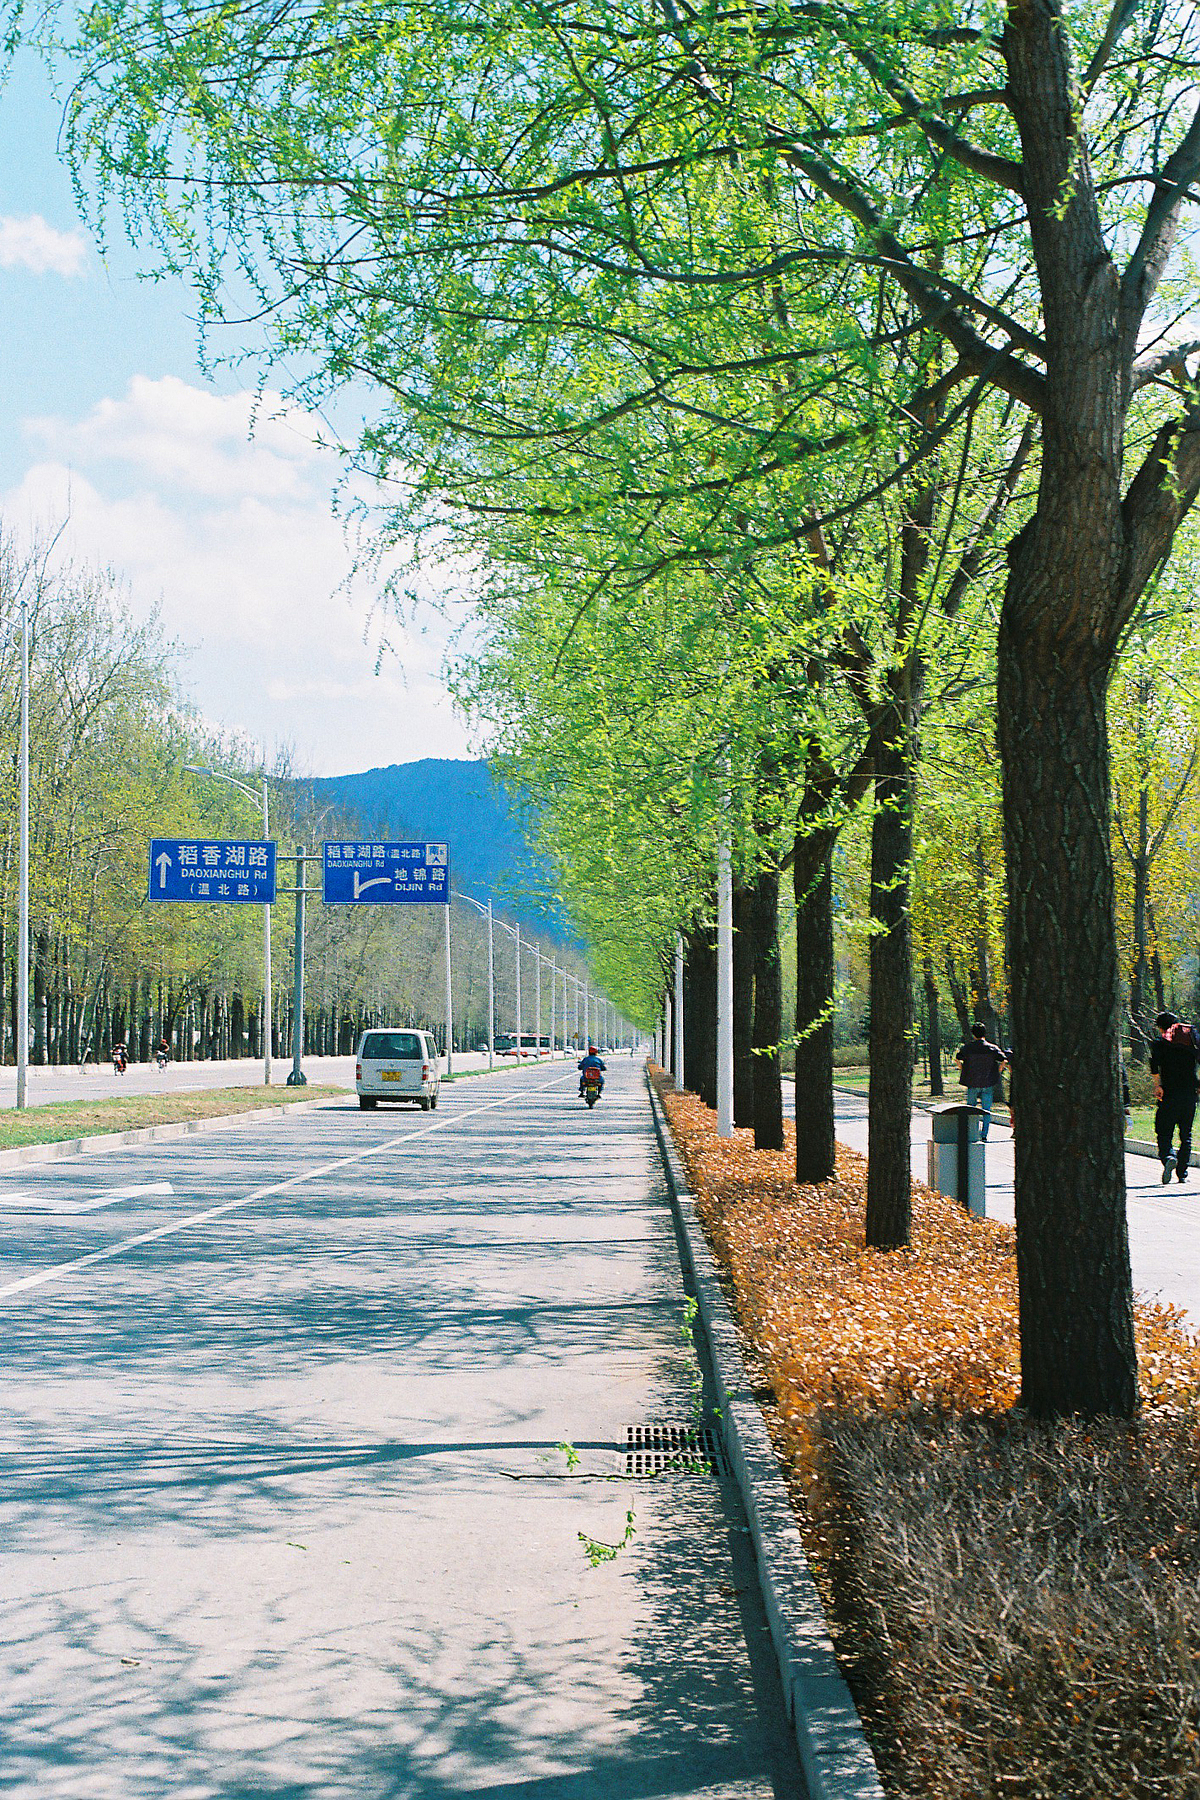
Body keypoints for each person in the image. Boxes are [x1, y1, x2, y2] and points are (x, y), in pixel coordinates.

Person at [1149, 1010, 1200, 1184]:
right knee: (1186, 1134)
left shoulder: (1159, 1043)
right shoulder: (1191, 1039)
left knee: (1163, 1131)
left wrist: (1158, 1086)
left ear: (1160, 1027)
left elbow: (1154, 1067)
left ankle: (1168, 1156)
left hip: (1169, 1094)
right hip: (1189, 1094)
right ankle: (1182, 1173)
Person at [954, 1022, 1006, 1142]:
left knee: (970, 1109)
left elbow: (957, 1058)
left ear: (973, 1034)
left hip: (972, 1082)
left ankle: (971, 1133)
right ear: (985, 1033)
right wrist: (998, 1070)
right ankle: (984, 1135)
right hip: (987, 1082)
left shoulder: (968, 1048)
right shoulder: (992, 1048)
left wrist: (963, 1069)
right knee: (986, 1110)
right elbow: (1003, 1059)